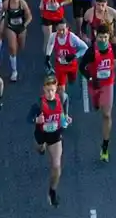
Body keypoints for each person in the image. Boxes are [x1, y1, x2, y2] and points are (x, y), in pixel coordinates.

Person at [29, 74, 72, 207]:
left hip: (55, 135)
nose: (50, 93)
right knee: (40, 149)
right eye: (47, 90)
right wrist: (36, 120)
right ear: (44, 89)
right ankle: (41, 148)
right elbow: (28, 118)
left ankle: (52, 191)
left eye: (52, 90)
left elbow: (65, 104)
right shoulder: (38, 104)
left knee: (56, 165)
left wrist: (66, 117)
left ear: (56, 88)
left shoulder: (62, 97)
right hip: (41, 134)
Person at [80, 25, 116, 162]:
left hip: (108, 84)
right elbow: (81, 67)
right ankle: (96, 102)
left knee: (106, 114)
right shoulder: (91, 51)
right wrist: (90, 78)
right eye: (100, 37)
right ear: (96, 36)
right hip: (94, 84)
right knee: (96, 104)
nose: (103, 40)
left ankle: (105, 147)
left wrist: (115, 69)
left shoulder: (114, 48)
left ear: (109, 37)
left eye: (105, 37)